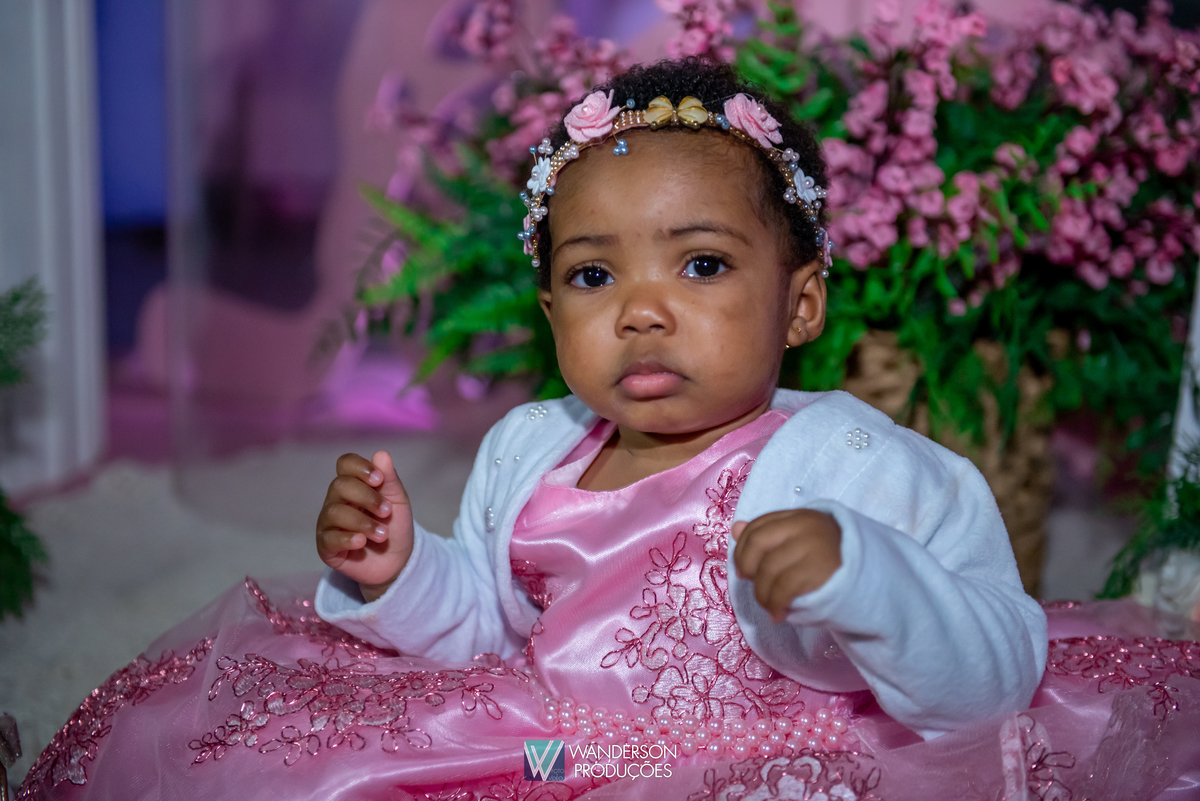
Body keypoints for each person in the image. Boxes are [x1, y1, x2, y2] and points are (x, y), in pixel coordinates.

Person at [20, 59, 1200, 801]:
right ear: (550, 315)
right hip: (564, 752)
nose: (641, 308)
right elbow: (492, 630)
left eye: (701, 264)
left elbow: (990, 680)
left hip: (777, 762)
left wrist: (868, 578)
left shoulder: (857, 465)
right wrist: (401, 573)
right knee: (346, 766)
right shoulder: (535, 450)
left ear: (801, 305)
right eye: (593, 275)